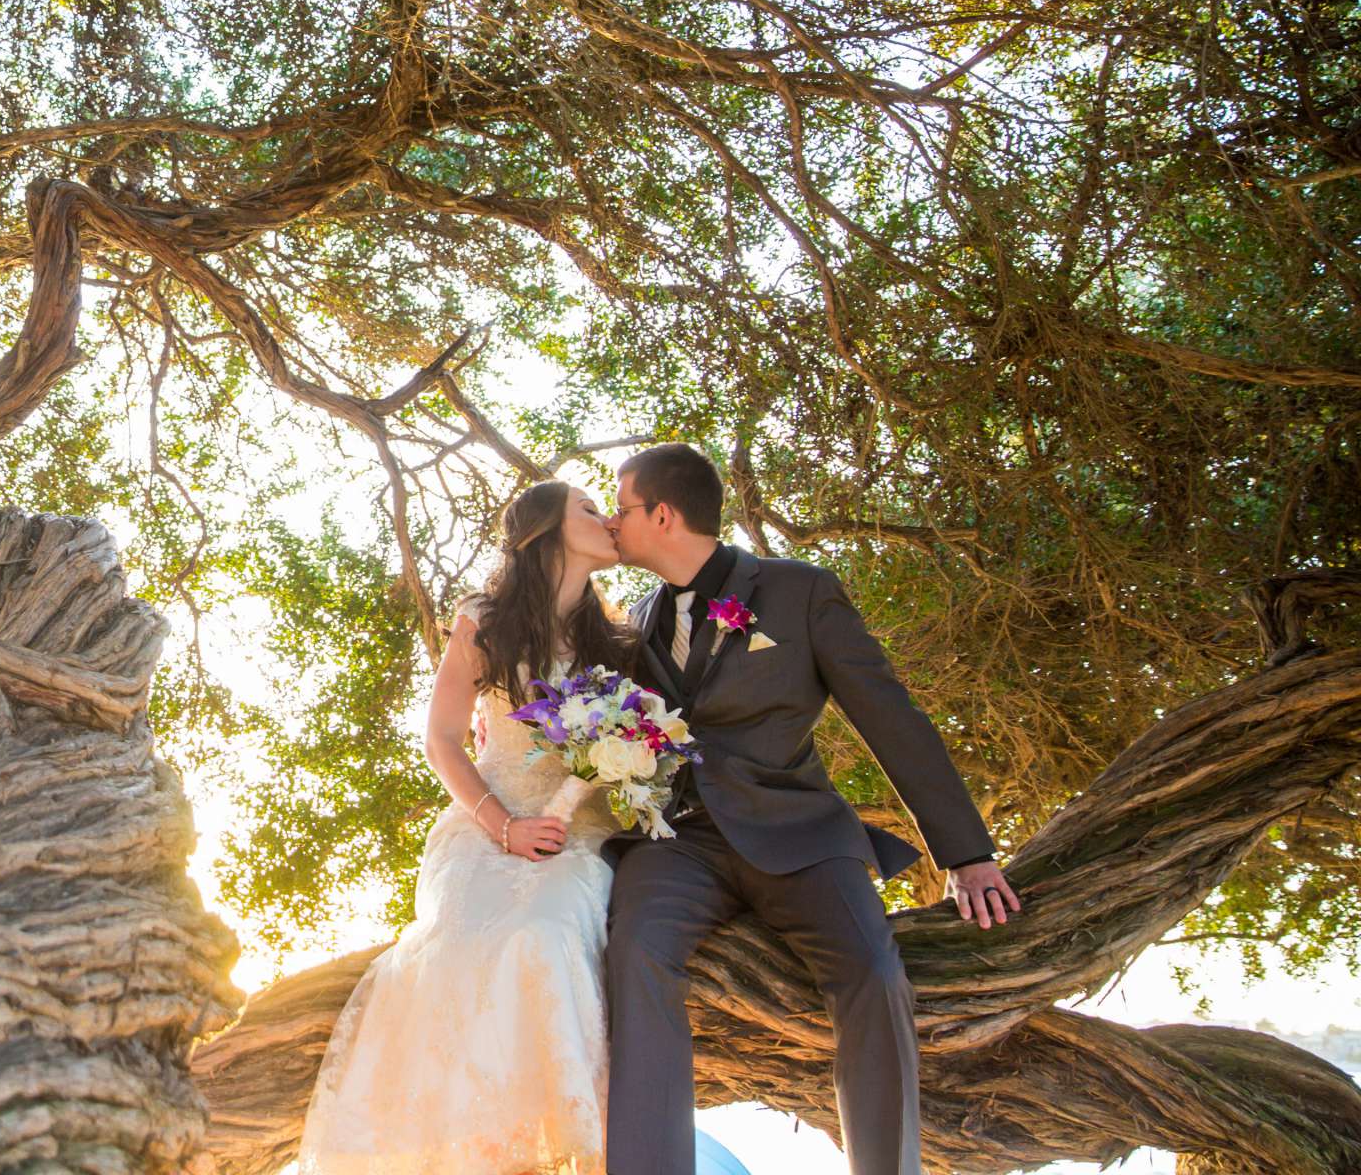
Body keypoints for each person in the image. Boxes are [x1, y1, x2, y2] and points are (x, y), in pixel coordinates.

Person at [600, 443, 1020, 1175]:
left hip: (800, 835)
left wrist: (968, 853)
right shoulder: (636, 618)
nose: (610, 520)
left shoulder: (799, 591)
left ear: (662, 514)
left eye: (621, 506)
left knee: (872, 972)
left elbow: (891, 716)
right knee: (631, 954)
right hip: (682, 846)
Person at [297, 479, 631, 1175]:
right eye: (589, 509)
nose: (608, 519)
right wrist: (503, 827)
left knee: (542, 933)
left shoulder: (621, 636)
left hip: (581, 833)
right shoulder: (485, 619)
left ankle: (562, 1146)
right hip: (485, 823)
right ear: (545, 530)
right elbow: (443, 740)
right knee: (455, 946)